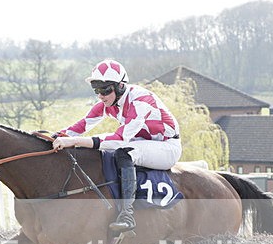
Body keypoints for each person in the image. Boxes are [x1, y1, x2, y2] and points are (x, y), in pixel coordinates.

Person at [52, 60, 182, 233]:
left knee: (123, 153)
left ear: (121, 86)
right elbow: (82, 125)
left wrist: (74, 142)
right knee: (105, 153)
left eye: (105, 90)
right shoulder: (110, 103)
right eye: (97, 90)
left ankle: (127, 215)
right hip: (144, 142)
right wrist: (54, 137)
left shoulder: (141, 101)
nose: (101, 96)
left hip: (166, 147)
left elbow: (120, 139)